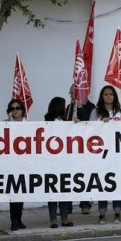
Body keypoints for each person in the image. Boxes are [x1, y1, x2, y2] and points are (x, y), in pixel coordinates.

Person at [90, 85, 121, 224]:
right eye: (106, 94)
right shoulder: (96, 112)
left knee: (117, 182)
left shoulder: (120, 111)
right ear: (102, 96)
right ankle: (102, 213)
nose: (108, 96)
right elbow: (90, 129)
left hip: (117, 153)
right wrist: (100, 123)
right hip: (101, 153)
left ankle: (117, 212)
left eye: (111, 94)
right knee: (102, 183)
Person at [65, 84, 96, 214]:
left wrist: (80, 108)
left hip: (87, 148)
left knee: (85, 177)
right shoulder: (69, 108)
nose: (72, 96)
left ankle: (85, 204)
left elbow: (91, 124)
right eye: (71, 94)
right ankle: (68, 205)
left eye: (74, 94)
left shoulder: (92, 107)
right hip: (72, 147)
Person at [44, 96, 74, 228]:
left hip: (64, 161)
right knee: (52, 191)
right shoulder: (48, 121)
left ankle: (64, 218)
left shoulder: (66, 121)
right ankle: (53, 219)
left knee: (64, 190)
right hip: (52, 161)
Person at [4, 99, 27, 231]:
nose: (15, 110)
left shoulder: (28, 124)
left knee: (22, 192)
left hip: (24, 163)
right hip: (11, 164)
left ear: (22, 110)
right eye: (12, 108)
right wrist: (10, 122)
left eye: (18, 108)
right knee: (14, 193)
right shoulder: (5, 124)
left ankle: (19, 219)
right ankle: (14, 221)